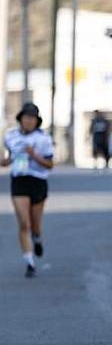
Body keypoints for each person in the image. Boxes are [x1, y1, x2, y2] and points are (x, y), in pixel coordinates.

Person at [1, 103, 55, 278]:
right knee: (24, 223)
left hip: (38, 181)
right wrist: (5, 162)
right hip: (19, 180)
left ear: (37, 121)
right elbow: (9, 159)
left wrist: (34, 155)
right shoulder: (10, 136)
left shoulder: (44, 139)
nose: (28, 121)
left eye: (32, 118)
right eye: (25, 118)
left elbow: (50, 164)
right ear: (20, 119)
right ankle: (29, 262)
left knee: (35, 225)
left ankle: (37, 238)